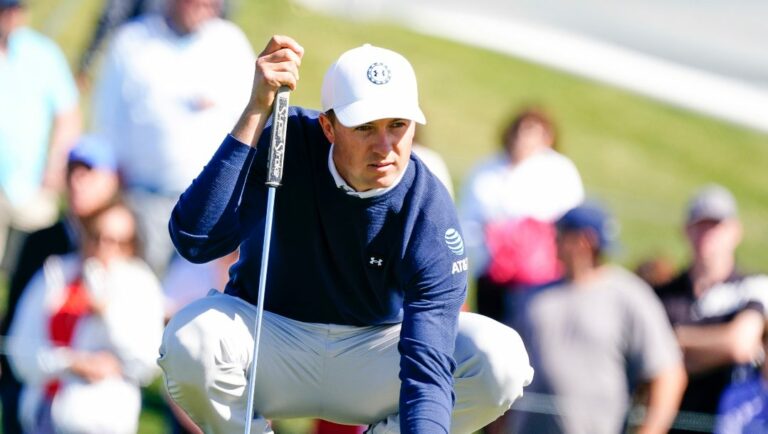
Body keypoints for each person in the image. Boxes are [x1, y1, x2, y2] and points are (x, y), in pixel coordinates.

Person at [159, 35, 534, 433]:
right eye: (365, 127)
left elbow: (428, 370)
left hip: (375, 354)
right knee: (190, 338)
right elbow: (195, 239)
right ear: (329, 126)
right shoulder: (286, 140)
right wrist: (256, 110)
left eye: (397, 125)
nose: (384, 147)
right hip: (270, 338)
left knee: (500, 359)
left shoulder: (429, 209)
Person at [90, 0, 254, 276]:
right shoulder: (133, 41)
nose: (206, 6)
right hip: (140, 200)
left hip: (208, 208)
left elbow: (251, 120)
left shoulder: (230, 45)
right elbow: (106, 119)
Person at [511, 202, 687, 434]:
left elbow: (669, 374)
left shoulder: (629, 296)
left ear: (584, 241)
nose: (554, 241)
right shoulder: (533, 298)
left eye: (561, 234)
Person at [6, 201, 165, 434]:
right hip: (41, 416)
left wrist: (107, 314)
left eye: (118, 242)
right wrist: (70, 362)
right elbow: (20, 349)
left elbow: (147, 362)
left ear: (131, 245)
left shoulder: (140, 284)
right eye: (96, 237)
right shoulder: (55, 274)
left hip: (103, 421)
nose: (104, 248)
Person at [0, 134, 121, 434]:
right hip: (36, 377)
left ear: (111, 181)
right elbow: (16, 314)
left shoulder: (123, 240)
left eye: (88, 172)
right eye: (72, 171)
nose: (78, 181)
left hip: (99, 396)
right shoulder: (40, 242)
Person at [655, 184, 768, 433]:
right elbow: (648, 361)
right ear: (686, 230)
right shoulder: (662, 295)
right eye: (700, 226)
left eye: (715, 226)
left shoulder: (753, 287)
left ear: (735, 231)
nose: (707, 235)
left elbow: (739, 345)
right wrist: (714, 347)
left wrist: (676, 339)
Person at [458, 107, 583, 325]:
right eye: (520, 131)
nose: (523, 138)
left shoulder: (559, 170)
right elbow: (468, 219)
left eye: (532, 132)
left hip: (541, 277)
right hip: (492, 273)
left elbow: (571, 220)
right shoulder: (486, 170)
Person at [0, 0, 81, 272]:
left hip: (31, 183)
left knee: (31, 269)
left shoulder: (42, 54)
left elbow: (68, 114)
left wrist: (57, 163)